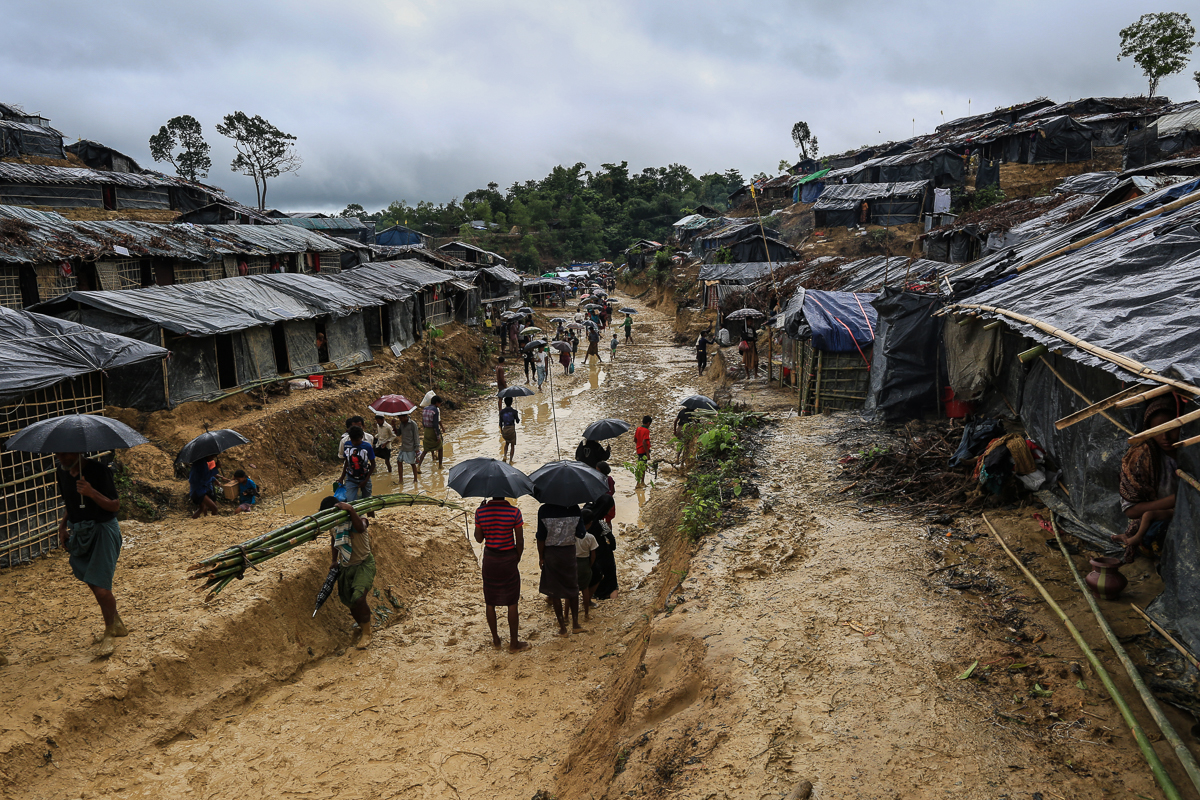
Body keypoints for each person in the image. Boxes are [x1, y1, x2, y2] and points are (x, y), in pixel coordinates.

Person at [56, 452, 125, 657]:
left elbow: (115, 506)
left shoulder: (99, 471)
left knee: (102, 589)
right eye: (59, 454)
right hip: (80, 532)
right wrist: (62, 527)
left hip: (102, 530)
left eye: (66, 454)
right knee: (92, 581)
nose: (62, 458)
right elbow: (70, 503)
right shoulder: (62, 472)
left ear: (77, 452)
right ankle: (117, 624)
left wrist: (92, 492)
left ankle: (109, 632)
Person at [1115, 395, 1181, 563]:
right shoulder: (1141, 458)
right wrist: (1176, 500)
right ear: (1149, 429)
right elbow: (1130, 510)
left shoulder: (1191, 454)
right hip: (1165, 517)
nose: (1165, 437)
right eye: (1158, 430)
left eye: (1172, 428)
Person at [473, 496, 530, 652]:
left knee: (490, 602)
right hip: (508, 558)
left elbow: (478, 539)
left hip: (490, 559)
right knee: (512, 601)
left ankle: (496, 640)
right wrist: (516, 558)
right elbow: (520, 540)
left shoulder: (481, 512)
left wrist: (480, 513)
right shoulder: (514, 512)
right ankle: (513, 643)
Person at [321, 496, 375, 649]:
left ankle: (367, 633)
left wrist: (350, 510)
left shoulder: (359, 516)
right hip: (346, 565)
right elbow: (333, 540)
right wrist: (333, 560)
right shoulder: (334, 525)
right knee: (350, 601)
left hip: (363, 564)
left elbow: (361, 528)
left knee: (359, 598)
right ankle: (360, 625)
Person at [536, 501, 585, 636]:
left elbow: (541, 537)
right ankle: (575, 624)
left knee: (554, 591)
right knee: (572, 587)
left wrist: (541, 556)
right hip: (569, 552)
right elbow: (581, 533)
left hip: (551, 553)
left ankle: (563, 628)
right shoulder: (574, 508)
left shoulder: (544, 510)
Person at [339, 426, 376, 502]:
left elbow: (373, 464)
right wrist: (342, 477)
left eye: (357, 440)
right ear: (350, 438)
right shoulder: (347, 445)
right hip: (350, 478)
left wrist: (365, 481)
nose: (355, 442)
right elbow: (347, 462)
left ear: (362, 437)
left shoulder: (367, 447)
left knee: (368, 502)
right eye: (353, 440)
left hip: (364, 477)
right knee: (351, 502)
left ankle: (371, 514)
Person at [576, 510, 600, 621]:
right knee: (585, 589)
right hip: (584, 563)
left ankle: (567, 615)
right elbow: (593, 555)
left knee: (572, 590)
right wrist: (589, 565)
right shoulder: (590, 537)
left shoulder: (572, 534)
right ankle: (586, 614)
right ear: (590, 523)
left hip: (573, 564)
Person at [394, 410, 421, 486]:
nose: (400, 420)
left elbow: (416, 437)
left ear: (406, 417)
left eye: (401, 418)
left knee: (412, 463)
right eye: (399, 418)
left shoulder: (413, 424)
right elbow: (398, 433)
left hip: (411, 447)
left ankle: (415, 479)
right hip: (403, 446)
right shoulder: (401, 424)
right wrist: (394, 426)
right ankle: (401, 480)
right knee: (399, 462)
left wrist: (417, 449)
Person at [418, 395, 446, 469]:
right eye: (440, 403)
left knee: (426, 449)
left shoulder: (425, 409)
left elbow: (423, 422)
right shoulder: (435, 410)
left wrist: (425, 429)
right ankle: (440, 465)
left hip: (426, 431)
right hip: (433, 431)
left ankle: (418, 466)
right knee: (440, 448)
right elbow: (435, 424)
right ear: (437, 403)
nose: (440, 405)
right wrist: (437, 436)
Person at [499, 396, 520, 464]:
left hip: (505, 429)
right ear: (511, 403)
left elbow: (500, 423)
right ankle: (511, 460)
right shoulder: (514, 412)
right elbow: (517, 421)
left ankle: (505, 456)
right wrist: (516, 414)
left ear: (505, 403)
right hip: (511, 429)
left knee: (507, 443)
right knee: (512, 445)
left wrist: (502, 431)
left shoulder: (502, 412)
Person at [634, 416, 652, 489]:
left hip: (639, 450)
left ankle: (638, 482)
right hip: (643, 451)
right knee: (643, 467)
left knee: (640, 466)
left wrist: (638, 445)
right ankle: (641, 482)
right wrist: (647, 453)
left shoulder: (638, 429)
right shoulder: (646, 430)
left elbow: (635, 439)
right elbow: (644, 441)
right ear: (648, 423)